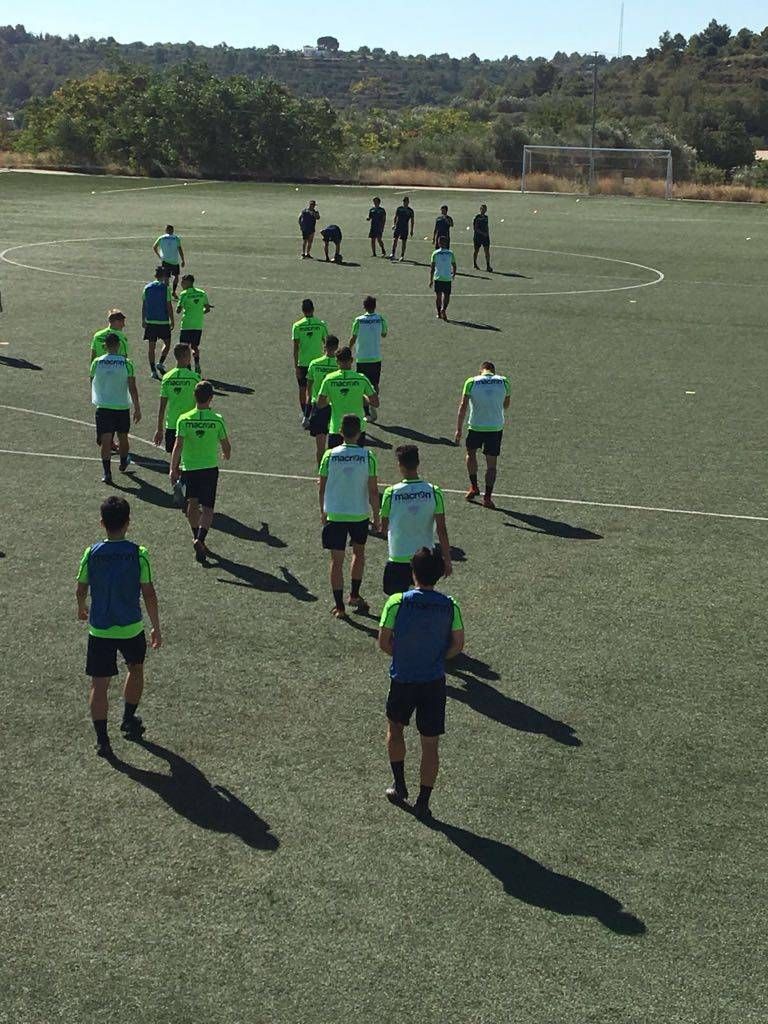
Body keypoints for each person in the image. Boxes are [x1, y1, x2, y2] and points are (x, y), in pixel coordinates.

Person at [378, 546, 464, 820]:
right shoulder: (450, 605)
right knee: (430, 744)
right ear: (439, 574)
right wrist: (437, 657)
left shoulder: (396, 601)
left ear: (412, 572)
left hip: (403, 678)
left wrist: (405, 655)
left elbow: (384, 642)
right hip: (434, 682)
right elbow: (457, 645)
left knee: (395, 729)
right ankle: (423, 803)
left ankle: (399, 785)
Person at [76, 495, 162, 758]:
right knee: (135, 670)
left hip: (100, 629)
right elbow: (149, 593)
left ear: (102, 523)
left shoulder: (91, 553)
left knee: (98, 685)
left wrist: (81, 607)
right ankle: (128, 718)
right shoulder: (139, 554)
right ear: (128, 523)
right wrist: (156, 626)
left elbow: (80, 588)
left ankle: (103, 741)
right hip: (131, 628)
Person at [318, 414, 380, 619]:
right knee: (358, 553)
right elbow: (372, 490)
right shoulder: (367, 456)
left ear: (340, 432)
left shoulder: (329, 455)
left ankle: (340, 607)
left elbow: (322, 487)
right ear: (360, 433)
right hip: (359, 514)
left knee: (336, 560)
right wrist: (377, 516)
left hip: (335, 513)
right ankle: (354, 595)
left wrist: (323, 511)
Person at [170, 380, 231, 563]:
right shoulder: (217, 419)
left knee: (192, 504)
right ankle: (200, 539)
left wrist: (173, 468)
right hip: (209, 469)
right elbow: (226, 446)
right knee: (208, 509)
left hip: (189, 469)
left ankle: (195, 534)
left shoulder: (184, 419)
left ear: (194, 397)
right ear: (211, 398)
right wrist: (225, 453)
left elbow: (178, 445)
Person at [380, 444, 452, 595]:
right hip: (424, 558)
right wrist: (447, 558)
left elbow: (383, 526)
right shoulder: (434, 491)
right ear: (418, 463)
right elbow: (441, 529)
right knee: (424, 601)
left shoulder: (390, 493)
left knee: (397, 602)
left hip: (398, 555)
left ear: (399, 464)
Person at [454, 360, 511, 508]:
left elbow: (463, 406)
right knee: (491, 465)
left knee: (470, 454)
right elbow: (506, 405)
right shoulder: (504, 381)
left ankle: (473, 486)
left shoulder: (471, 382)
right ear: (493, 371)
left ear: (481, 371)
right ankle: (487, 497)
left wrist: (458, 429)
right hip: (495, 429)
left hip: (475, 428)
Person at [90, 332, 141, 483]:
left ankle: (107, 473)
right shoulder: (127, 363)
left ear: (105, 346)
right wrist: (137, 408)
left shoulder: (97, 362)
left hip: (104, 407)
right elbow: (132, 387)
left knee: (106, 441)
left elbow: (92, 381)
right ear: (118, 346)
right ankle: (124, 460)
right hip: (121, 407)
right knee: (123, 438)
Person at [153, 343, 201, 504]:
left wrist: (159, 429)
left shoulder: (167, 378)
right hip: (189, 426)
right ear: (186, 357)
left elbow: (161, 406)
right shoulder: (195, 378)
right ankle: (183, 486)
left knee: (175, 460)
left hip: (172, 426)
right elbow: (199, 404)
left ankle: (177, 487)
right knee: (188, 460)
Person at [315, 346, 379, 448]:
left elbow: (320, 404)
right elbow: (375, 402)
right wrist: (362, 398)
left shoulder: (329, 379)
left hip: (336, 428)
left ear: (337, 361)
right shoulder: (361, 379)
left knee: (335, 461)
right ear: (352, 360)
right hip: (357, 430)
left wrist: (333, 399)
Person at [349, 295, 387, 423]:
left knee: (361, 385)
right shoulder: (380, 319)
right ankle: (372, 404)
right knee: (375, 384)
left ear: (364, 306)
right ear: (375, 306)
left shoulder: (358, 320)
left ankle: (367, 411)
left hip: (362, 358)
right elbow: (384, 333)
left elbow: (353, 338)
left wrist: (349, 349)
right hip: (375, 357)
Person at [292, 298, 329, 426]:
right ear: (313, 309)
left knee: (303, 389)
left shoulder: (297, 326)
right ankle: (315, 412)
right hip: (318, 363)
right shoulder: (321, 324)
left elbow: (296, 348)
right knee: (316, 388)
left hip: (302, 363)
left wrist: (296, 366)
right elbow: (327, 343)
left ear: (303, 311)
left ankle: (305, 413)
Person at [306, 334, 340, 465]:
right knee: (335, 446)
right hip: (334, 407)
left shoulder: (314, 364)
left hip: (318, 407)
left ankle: (321, 474)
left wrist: (308, 406)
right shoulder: (339, 366)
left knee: (320, 447)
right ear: (336, 347)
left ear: (324, 346)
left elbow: (309, 386)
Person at [176, 273, 212, 376]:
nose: (181, 283)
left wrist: (179, 307)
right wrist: (200, 313)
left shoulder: (184, 294)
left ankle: (188, 368)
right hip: (198, 325)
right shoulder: (202, 293)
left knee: (184, 348)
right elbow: (207, 309)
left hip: (187, 325)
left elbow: (178, 310)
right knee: (195, 346)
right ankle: (197, 363)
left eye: (183, 281)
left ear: (188, 282)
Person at [142, 266, 174, 379]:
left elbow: (144, 305)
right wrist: (172, 320)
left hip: (150, 322)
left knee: (151, 347)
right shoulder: (166, 288)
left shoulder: (147, 287)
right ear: (164, 276)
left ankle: (153, 370)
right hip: (163, 322)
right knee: (168, 343)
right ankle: (160, 362)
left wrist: (143, 319)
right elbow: (169, 306)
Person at [152, 225, 185, 297]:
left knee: (166, 277)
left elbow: (154, 247)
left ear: (166, 230)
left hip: (165, 260)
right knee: (176, 276)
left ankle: (167, 293)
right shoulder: (176, 238)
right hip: (175, 261)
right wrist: (183, 260)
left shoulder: (161, 238)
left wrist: (159, 256)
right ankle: (173, 291)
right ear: (172, 230)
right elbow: (180, 249)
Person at [429, 237, 457, 321]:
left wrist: (430, 280)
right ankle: (443, 309)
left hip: (438, 277)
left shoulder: (435, 253)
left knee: (438, 296)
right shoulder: (450, 253)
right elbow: (454, 266)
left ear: (439, 243)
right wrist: (453, 274)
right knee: (447, 295)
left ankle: (438, 313)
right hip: (447, 278)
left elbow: (432, 268)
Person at [390, 196, 414, 261]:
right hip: (398, 226)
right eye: (404, 201)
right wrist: (394, 224)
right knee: (395, 240)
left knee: (404, 242)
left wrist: (411, 230)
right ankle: (393, 253)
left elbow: (412, 221)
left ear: (408, 202)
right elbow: (395, 217)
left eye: (406, 201)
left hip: (405, 228)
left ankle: (402, 255)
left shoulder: (410, 211)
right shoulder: (399, 209)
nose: (405, 203)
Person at [472, 203, 493, 272]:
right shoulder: (477, 217)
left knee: (487, 251)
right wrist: (483, 233)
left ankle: (488, 265)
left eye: (485, 209)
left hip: (485, 237)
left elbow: (486, 227)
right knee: (476, 251)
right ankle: (475, 264)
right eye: (482, 209)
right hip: (478, 237)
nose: (483, 210)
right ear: (480, 209)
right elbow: (475, 228)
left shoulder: (486, 217)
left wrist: (487, 234)